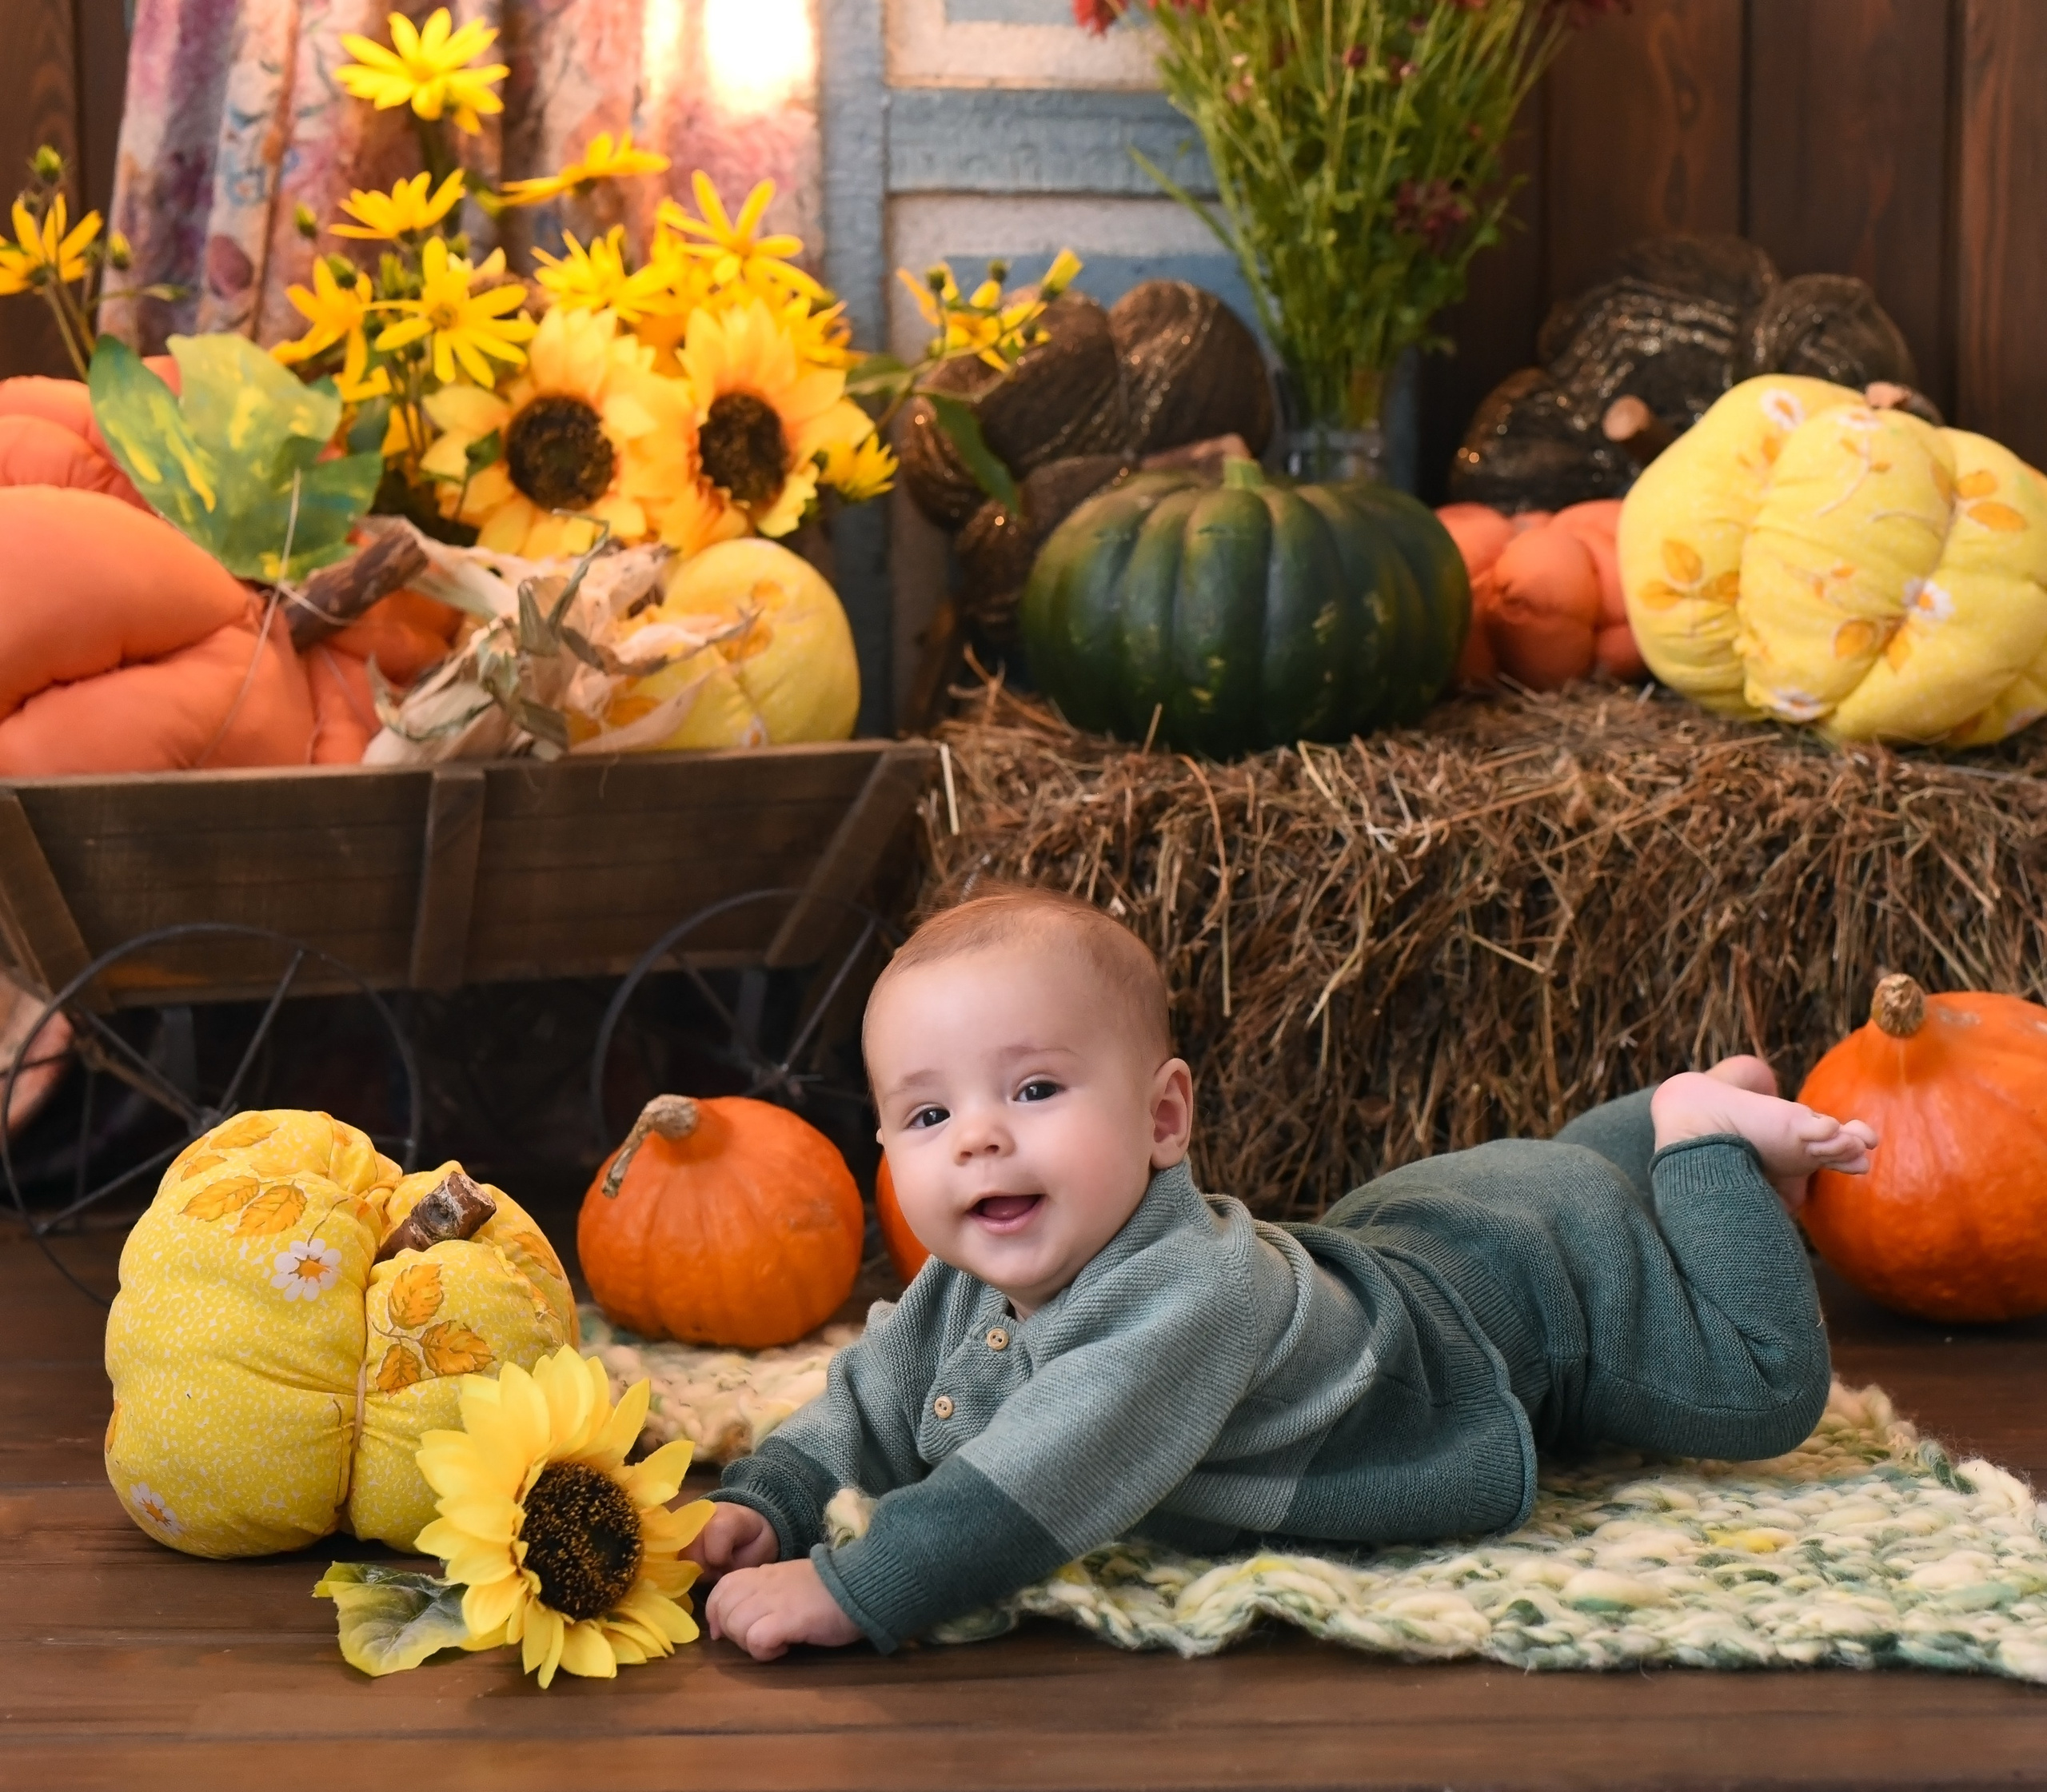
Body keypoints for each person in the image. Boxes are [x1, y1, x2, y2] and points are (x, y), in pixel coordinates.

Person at [684, 886, 1875, 1661]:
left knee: (1760, 1392)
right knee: (1552, 1184)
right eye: (929, 1113)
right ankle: (1653, 1124)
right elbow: (874, 1395)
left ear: (1164, 1118)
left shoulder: (1182, 1299)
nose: (979, 1139)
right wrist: (770, 1496)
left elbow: (1029, 1481)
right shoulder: (964, 1283)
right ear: (888, 1147)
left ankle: (1697, 1138)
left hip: (1523, 1298)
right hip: (1421, 1228)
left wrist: (858, 1587)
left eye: (1035, 1089)